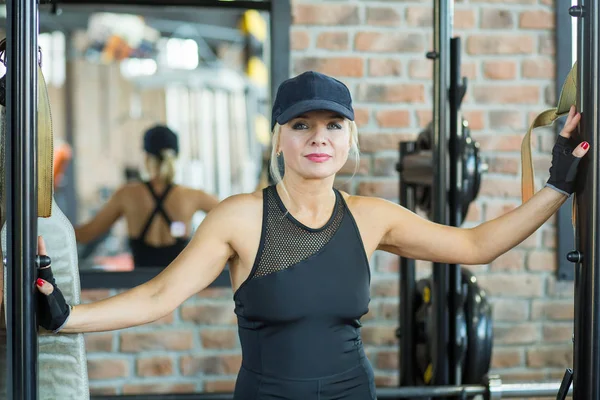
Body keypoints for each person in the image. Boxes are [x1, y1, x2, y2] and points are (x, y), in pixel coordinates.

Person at [36, 71, 588, 399]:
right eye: (301, 126)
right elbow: (159, 296)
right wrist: (66, 315)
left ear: (350, 139)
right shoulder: (240, 217)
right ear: (279, 139)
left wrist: (558, 185)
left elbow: (476, 246)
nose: (317, 138)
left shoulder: (372, 217)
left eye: (332, 126)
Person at [74, 124, 219, 268]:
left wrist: (54, 227)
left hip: (142, 287)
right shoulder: (193, 196)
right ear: (176, 156)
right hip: (181, 290)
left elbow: (85, 234)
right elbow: (236, 218)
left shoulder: (127, 195)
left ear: (146, 157)